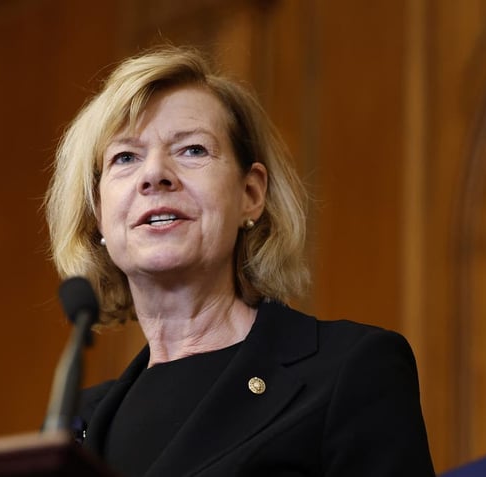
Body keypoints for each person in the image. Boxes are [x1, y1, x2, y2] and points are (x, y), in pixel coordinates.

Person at [44, 45, 435, 476]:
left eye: (192, 150)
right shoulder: (76, 423)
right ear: (98, 213)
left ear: (250, 195)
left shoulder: (351, 369)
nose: (155, 174)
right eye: (125, 157)